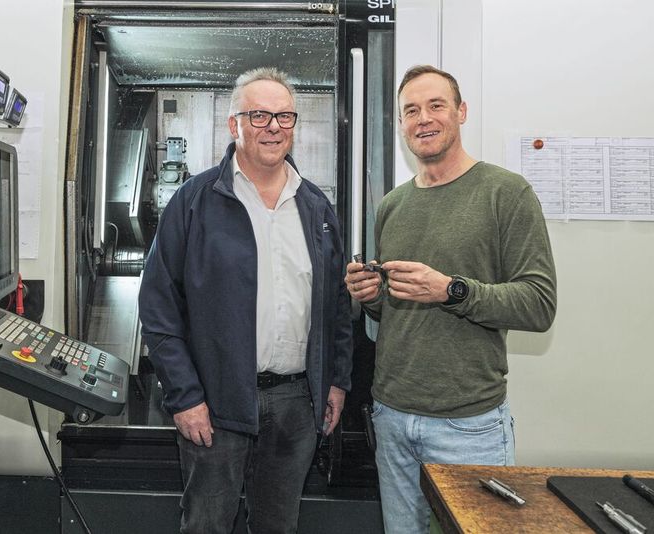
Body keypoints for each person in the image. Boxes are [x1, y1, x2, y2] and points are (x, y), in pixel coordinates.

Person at [138, 67, 353, 534]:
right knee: (207, 524)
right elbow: (158, 308)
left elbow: (336, 305)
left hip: (296, 402)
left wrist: (336, 381)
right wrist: (185, 396)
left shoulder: (315, 207)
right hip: (215, 402)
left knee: (279, 525)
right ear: (233, 124)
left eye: (284, 116)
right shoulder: (193, 202)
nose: (273, 126)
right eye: (259, 115)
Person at [346, 65, 557, 533]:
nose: (423, 118)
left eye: (436, 105)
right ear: (401, 124)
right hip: (392, 415)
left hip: (469, 425)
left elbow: (539, 304)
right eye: (411, 110)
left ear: (461, 112)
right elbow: (394, 313)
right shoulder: (392, 206)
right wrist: (371, 295)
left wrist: (451, 290)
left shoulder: (506, 193)